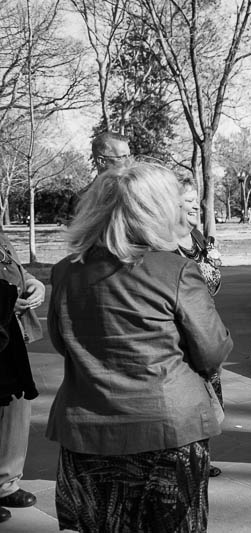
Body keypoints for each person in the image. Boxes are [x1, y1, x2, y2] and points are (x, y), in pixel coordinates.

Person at [47, 162, 233, 532]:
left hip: (88, 428)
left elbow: (60, 340)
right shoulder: (175, 270)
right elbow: (212, 351)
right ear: (157, 209)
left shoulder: (67, 270)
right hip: (167, 431)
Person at [178, 177, 223, 478]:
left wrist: (213, 268)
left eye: (197, 198)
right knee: (188, 399)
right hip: (183, 332)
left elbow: (211, 286)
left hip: (205, 323)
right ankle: (184, 460)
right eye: (188, 199)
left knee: (211, 400)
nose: (196, 204)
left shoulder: (196, 237)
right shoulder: (163, 243)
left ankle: (201, 458)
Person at [0, 233, 46, 524]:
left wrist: (33, 283)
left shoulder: (2, 237)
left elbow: (14, 268)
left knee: (16, 406)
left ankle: (6, 483)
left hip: (11, 336)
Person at [67, 132, 132, 223]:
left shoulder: (136, 192)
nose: (129, 162)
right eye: (122, 157)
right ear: (101, 161)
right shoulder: (80, 199)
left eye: (129, 156)